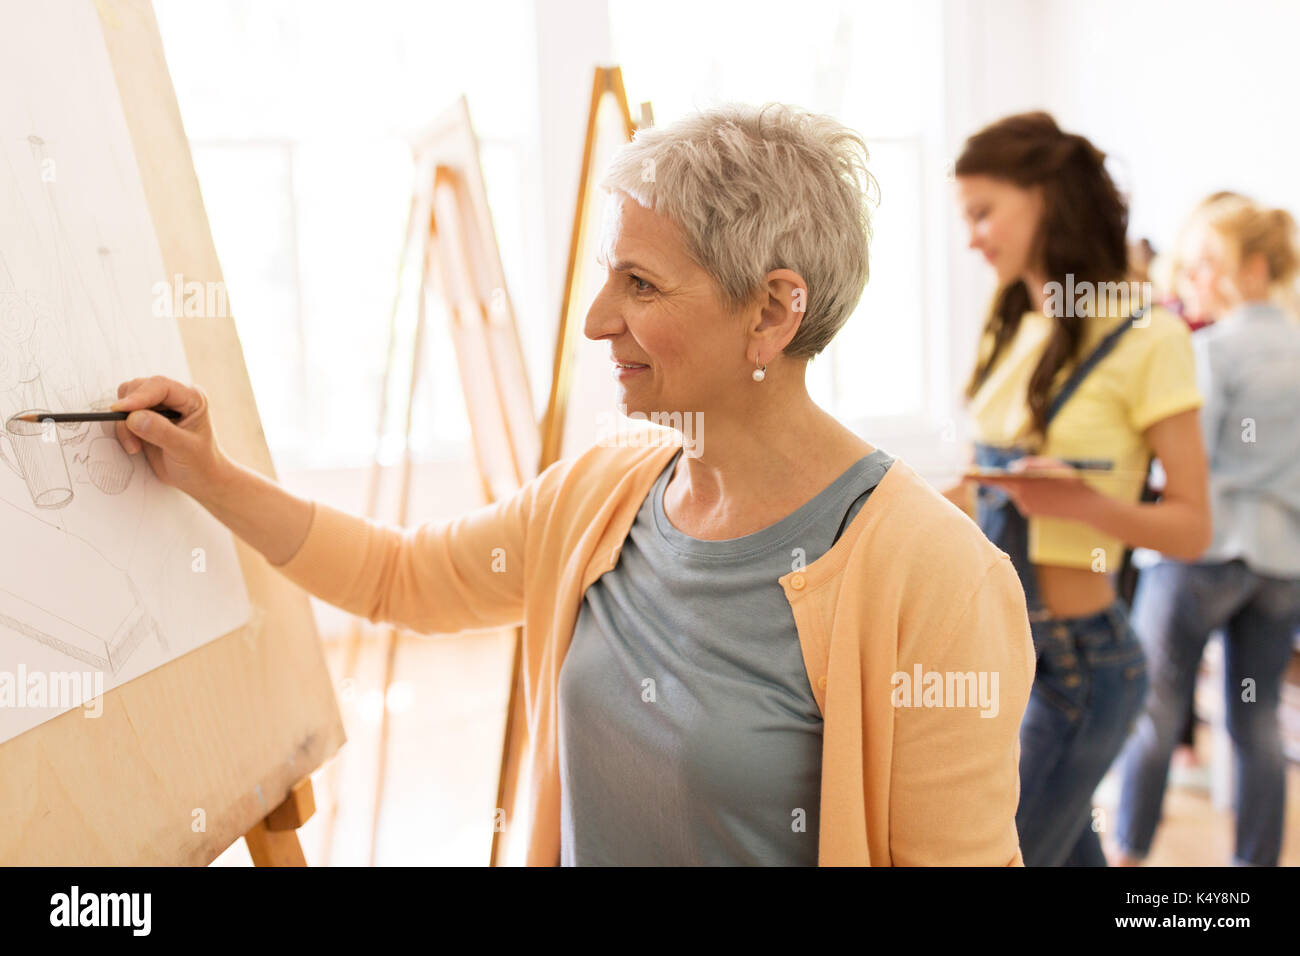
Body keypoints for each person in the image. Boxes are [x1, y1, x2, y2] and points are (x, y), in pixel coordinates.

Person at [110, 103, 1035, 866]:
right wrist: (209, 474)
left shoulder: (938, 581)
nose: (596, 322)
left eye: (640, 284)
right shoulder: (605, 495)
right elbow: (399, 578)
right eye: (608, 277)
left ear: (772, 310)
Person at [945, 111, 1211, 866]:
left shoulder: (1149, 337)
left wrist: (1084, 505)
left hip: (1081, 668)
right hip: (1013, 657)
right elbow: (980, 492)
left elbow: (1193, 528)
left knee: (1009, 855)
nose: (972, 237)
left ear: (1047, 201)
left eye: (983, 213)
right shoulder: (1015, 323)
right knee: (1062, 852)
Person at [1113, 194, 1300, 867]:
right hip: (1281, 565)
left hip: (1202, 553)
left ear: (1253, 267)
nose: (1195, 281)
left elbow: (1186, 461)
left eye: (1207, 265)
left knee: (1154, 710)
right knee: (1255, 722)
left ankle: (1129, 856)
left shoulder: (1211, 351)